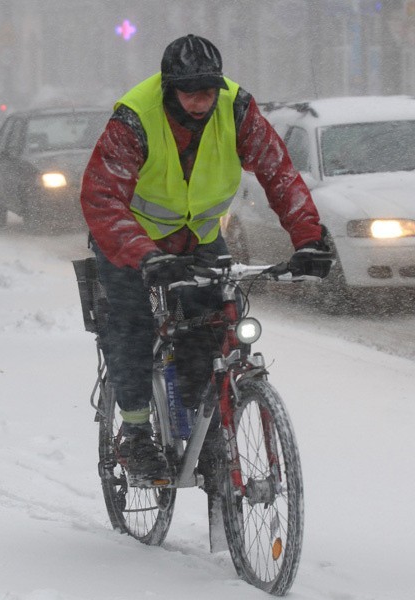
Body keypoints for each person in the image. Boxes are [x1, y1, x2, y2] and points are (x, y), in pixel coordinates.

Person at [80, 34, 332, 486]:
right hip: (130, 238)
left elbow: (279, 173)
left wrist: (309, 239)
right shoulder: (135, 119)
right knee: (131, 324)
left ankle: (206, 422)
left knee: (212, 326)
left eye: (209, 91)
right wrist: (145, 255)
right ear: (168, 89)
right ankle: (135, 431)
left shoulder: (237, 110)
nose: (202, 102)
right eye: (191, 92)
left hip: (199, 237)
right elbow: (102, 197)